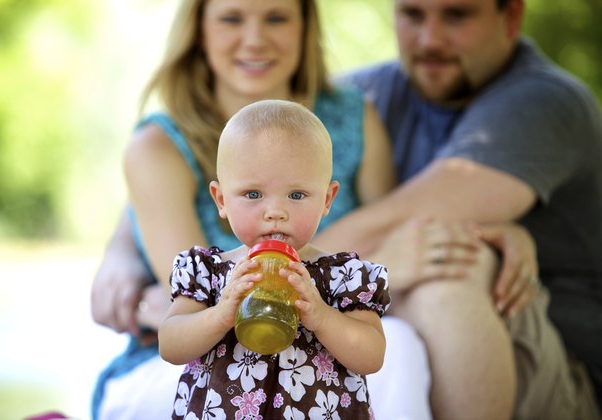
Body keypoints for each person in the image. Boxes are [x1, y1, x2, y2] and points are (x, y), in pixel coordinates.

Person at [90, 0, 434, 419]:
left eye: (276, 17)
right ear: (200, 30)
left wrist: (323, 313)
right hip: (213, 381)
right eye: (232, 18)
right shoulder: (161, 154)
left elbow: (390, 237)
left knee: (402, 342)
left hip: (315, 386)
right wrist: (219, 307)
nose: (255, 39)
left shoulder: (353, 118)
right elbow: (175, 319)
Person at [315, 0, 602, 418]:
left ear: (511, 17)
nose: (430, 39)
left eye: (457, 15)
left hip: (563, 382)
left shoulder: (546, 102)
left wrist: (276, 276)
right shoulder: (362, 100)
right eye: (413, 15)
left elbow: (402, 224)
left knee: (451, 259)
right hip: (409, 345)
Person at [159, 99, 389, 418]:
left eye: (296, 195)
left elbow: (372, 356)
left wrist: (322, 316)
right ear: (222, 199)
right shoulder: (206, 273)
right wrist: (221, 313)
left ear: (327, 199)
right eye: (253, 194)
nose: (275, 212)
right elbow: (170, 344)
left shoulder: (344, 277)